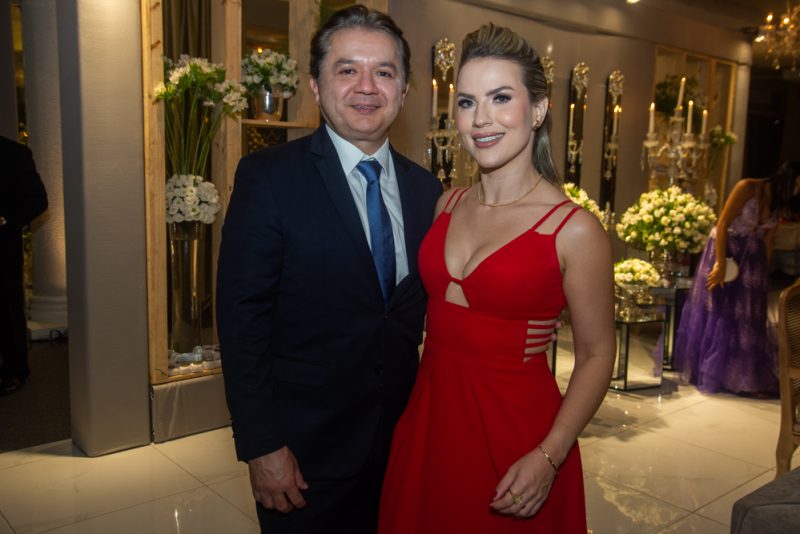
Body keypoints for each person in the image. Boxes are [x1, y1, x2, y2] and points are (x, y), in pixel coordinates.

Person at [378, 24, 616, 533]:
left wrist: (550, 454)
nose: (480, 119)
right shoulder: (447, 204)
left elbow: (598, 355)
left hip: (519, 438)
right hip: (429, 423)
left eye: (501, 98)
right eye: (467, 102)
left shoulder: (574, 231)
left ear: (538, 109)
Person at [215, 6, 444, 533]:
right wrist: (262, 445)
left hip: (402, 444)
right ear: (317, 86)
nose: (366, 87)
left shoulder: (425, 190)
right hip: (303, 457)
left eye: (383, 71)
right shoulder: (269, 178)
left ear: (404, 90)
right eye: (347, 70)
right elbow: (241, 320)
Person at [673, 161, 800, 396]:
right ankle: (712, 371)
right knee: (720, 309)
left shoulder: (780, 204)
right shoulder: (748, 187)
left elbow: (769, 239)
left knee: (747, 314)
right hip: (725, 249)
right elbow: (722, 224)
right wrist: (720, 263)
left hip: (752, 258)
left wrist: (763, 272)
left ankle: (741, 376)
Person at [0, 135, 48, 396]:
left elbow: (38, 200)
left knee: (7, 309)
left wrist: (5, 219)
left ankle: (15, 370)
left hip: (3, 248)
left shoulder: (14, 153)